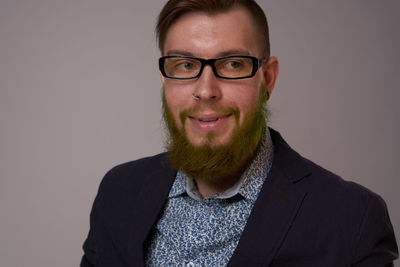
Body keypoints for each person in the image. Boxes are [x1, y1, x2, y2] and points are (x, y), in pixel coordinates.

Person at [80, 0, 398, 266]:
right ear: (166, 80)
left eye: (233, 64)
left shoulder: (351, 220)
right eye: (185, 65)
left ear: (268, 79)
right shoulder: (118, 192)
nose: (206, 91)